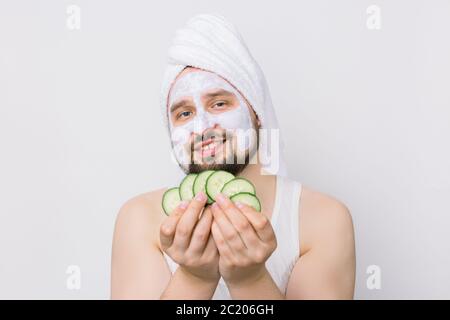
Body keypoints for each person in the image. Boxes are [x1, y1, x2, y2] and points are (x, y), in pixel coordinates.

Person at [111, 14, 355, 300]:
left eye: (219, 103)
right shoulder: (140, 219)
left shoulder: (323, 219)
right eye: (184, 113)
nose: (202, 129)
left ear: (257, 113)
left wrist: (250, 279)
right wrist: (194, 277)